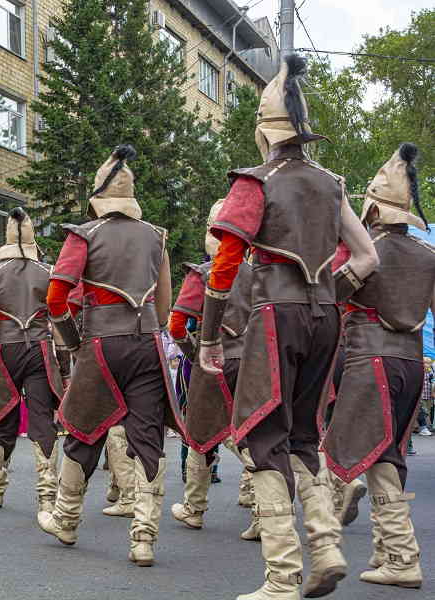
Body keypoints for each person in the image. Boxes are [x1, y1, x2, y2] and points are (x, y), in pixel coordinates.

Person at [198, 56, 378, 599]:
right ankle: (325, 545)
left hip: (275, 315)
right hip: (326, 316)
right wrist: (325, 295)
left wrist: (208, 338)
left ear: (263, 130)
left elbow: (225, 265)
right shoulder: (332, 182)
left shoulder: (256, 181)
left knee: (259, 436)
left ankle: (281, 576)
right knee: (303, 432)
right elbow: (366, 257)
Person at [38, 145, 179, 568]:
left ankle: (65, 519)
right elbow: (166, 306)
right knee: (147, 437)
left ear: (99, 195)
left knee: (83, 429)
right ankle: (143, 538)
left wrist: (69, 342)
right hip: (147, 343)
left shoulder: (84, 234)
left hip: (100, 344)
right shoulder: (157, 236)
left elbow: (56, 297)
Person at [323, 143, 430, 589]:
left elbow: (332, 298)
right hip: (412, 364)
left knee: (366, 455)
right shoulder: (429, 255)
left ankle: (402, 557)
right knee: (392, 455)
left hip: (370, 359)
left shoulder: (362, 249)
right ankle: (387, 552)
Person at [165, 200, 258, 540]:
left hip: (210, 362)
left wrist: (193, 354)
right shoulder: (256, 275)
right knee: (251, 428)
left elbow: (176, 326)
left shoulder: (201, 274)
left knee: (201, 434)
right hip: (249, 362)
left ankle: (194, 507)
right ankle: (260, 503)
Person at [0, 208, 64, 515]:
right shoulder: (48, 272)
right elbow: (62, 313)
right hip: (40, 348)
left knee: (2, 418)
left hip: (6, 350)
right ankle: (48, 496)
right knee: (42, 419)